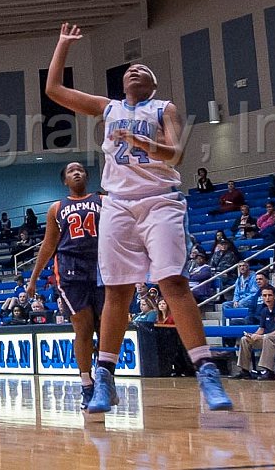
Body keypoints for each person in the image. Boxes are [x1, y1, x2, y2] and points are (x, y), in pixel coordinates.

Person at [44, 23, 231, 412]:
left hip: (160, 200)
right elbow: (55, 91)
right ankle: (104, 381)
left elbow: (176, 154)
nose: (134, 71)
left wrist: (142, 142)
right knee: (118, 291)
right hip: (116, 203)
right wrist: (62, 46)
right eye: (130, 70)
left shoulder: (164, 108)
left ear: (153, 84)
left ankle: (207, 373)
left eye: (143, 71)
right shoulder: (108, 107)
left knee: (173, 282)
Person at [26, 161, 102, 409]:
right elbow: (48, 244)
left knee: (106, 330)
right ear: (65, 181)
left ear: (87, 176)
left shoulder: (103, 200)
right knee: (84, 330)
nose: (76, 172)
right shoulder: (57, 208)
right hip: (70, 271)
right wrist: (34, 277)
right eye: (71, 171)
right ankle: (87, 384)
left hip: (102, 267)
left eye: (80, 169)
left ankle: (105, 380)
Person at [234, 285, 275, 380]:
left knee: (267, 338)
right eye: (264, 295)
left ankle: (268, 371)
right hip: (266, 339)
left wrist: (264, 336)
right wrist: (253, 335)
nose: (267, 298)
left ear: (274, 296)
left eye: (269, 295)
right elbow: (261, 329)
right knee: (244, 339)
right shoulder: (264, 311)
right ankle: (245, 370)